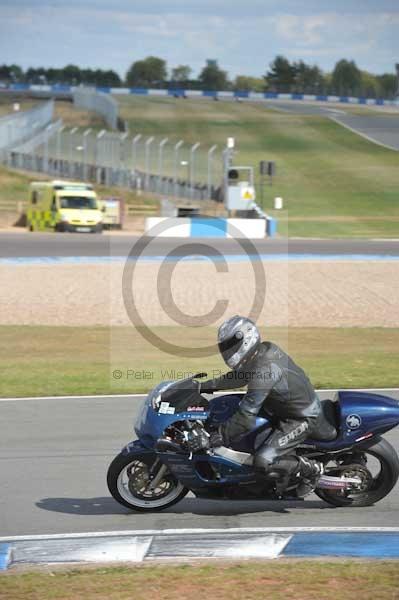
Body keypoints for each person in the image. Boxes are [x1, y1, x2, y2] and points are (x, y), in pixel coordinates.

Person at [200, 315, 336, 495]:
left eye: (229, 346)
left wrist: (217, 437)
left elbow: (245, 418)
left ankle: (312, 470)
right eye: (224, 346)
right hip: (279, 409)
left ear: (246, 341)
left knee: (263, 461)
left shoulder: (264, 369)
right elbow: (239, 377)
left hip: (301, 417)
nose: (226, 351)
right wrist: (203, 386)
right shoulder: (260, 353)